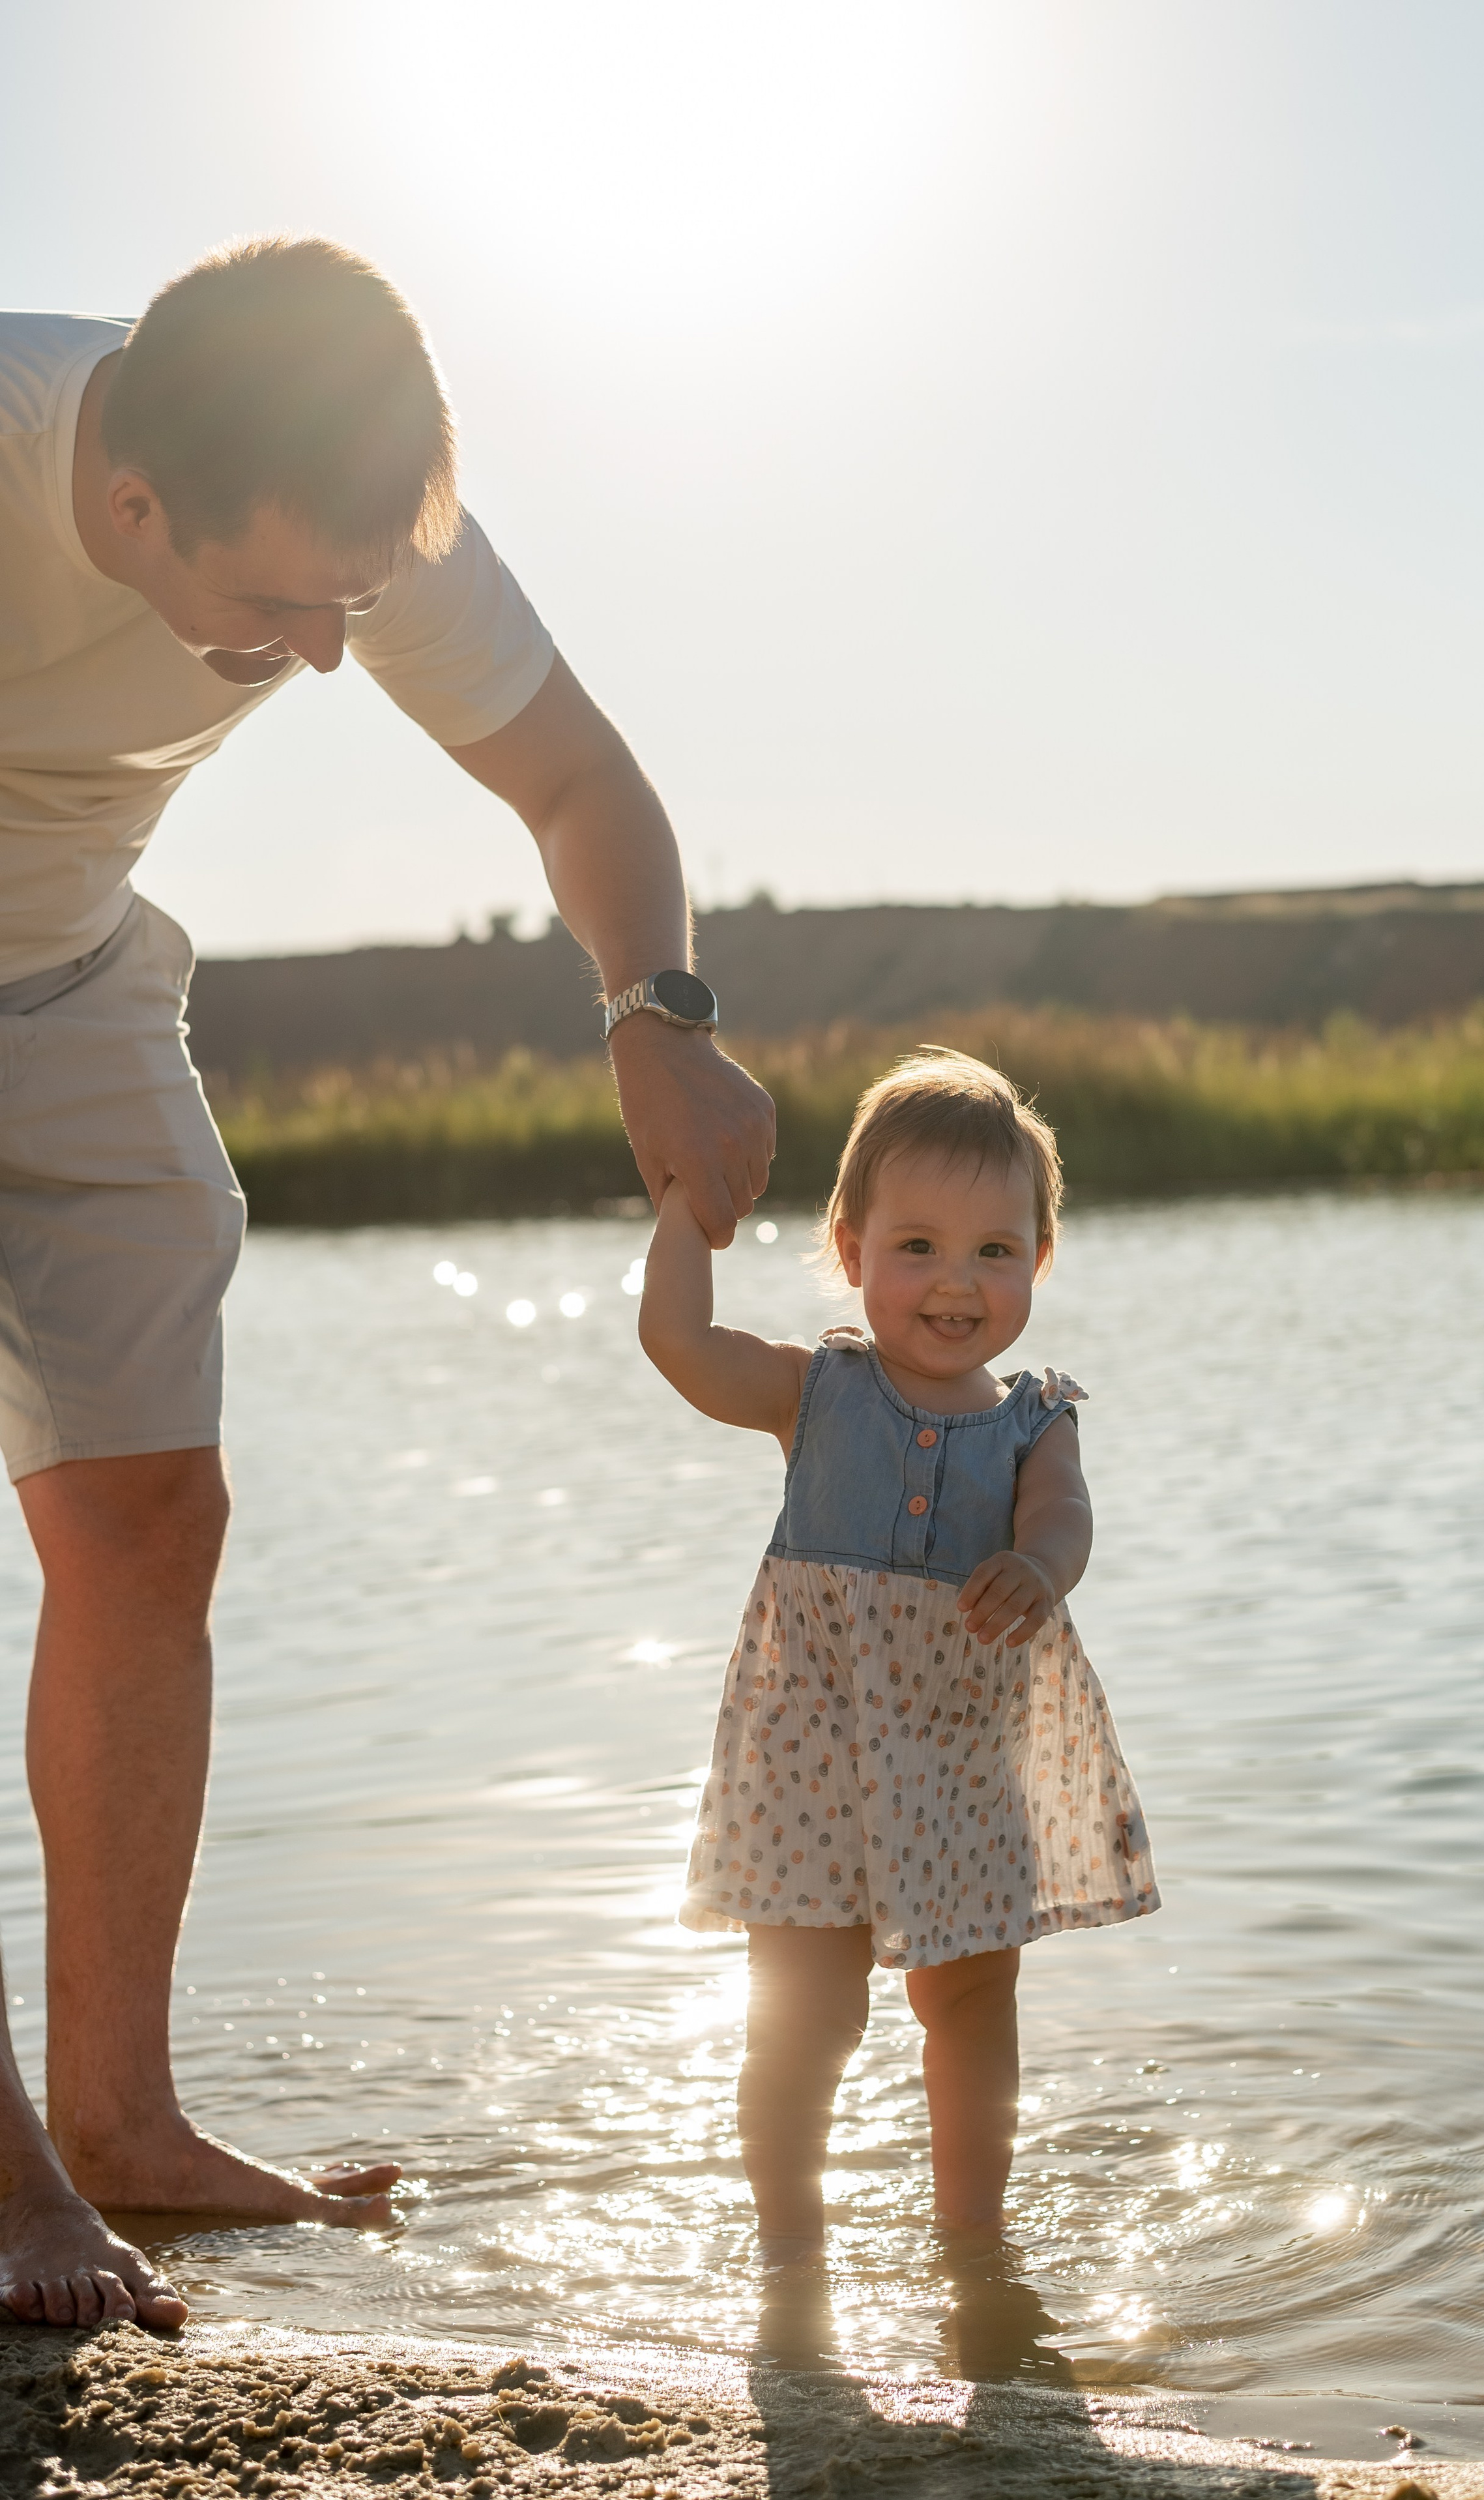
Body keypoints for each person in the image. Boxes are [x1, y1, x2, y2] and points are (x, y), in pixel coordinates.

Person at [0, 235, 773, 2328]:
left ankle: (122, 2116)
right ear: (133, 505)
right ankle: (1, 2171)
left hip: (65, 973)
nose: (327, 657)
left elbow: (576, 777)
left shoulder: (353, 506)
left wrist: (657, 1007)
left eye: (351, 605)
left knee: (153, 1512)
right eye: (276, 610)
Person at [637, 1050, 1156, 2267]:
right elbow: (676, 1340)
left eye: (994, 1250)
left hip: (964, 1768)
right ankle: (789, 2246)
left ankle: (974, 2244)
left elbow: (1064, 1517)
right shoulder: (814, 1393)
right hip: (811, 1764)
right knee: (805, 2021)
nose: (955, 1284)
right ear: (851, 1245)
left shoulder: (1036, 1417)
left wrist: (1039, 1568)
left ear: (1038, 1258)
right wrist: (682, 1204)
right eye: (916, 1246)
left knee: (973, 2003)